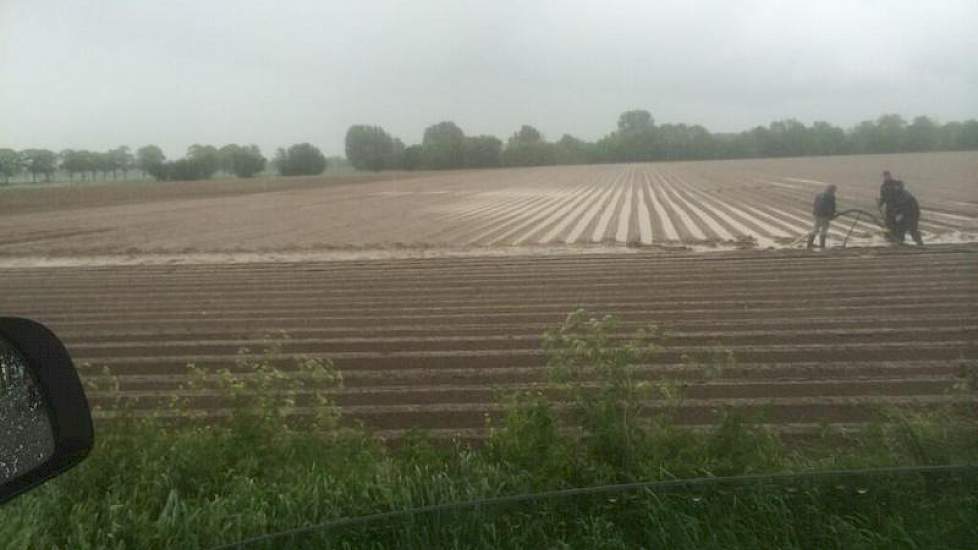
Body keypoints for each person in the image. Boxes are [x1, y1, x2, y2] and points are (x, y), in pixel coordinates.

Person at [807, 184, 837, 249]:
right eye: (834, 190)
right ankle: (822, 245)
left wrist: (815, 213)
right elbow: (831, 207)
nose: (835, 191)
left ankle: (809, 244)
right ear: (832, 190)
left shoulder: (819, 195)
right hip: (825, 215)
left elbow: (815, 204)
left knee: (815, 228)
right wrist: (831, 215)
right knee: (824, 229)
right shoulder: (831, 196)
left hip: (816, 214)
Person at [878, 170, 904, 238]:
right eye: (885, 176)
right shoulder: (883, 186)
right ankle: (889, 237)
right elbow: (883, 197)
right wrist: (880, 203)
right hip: (889, 207)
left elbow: (901, 189)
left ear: (890, 175)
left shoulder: (897, 183)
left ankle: (900, 237)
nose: (887, 177)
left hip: (898, 207)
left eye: (888, 176)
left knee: (898, 222)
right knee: (888, 223)